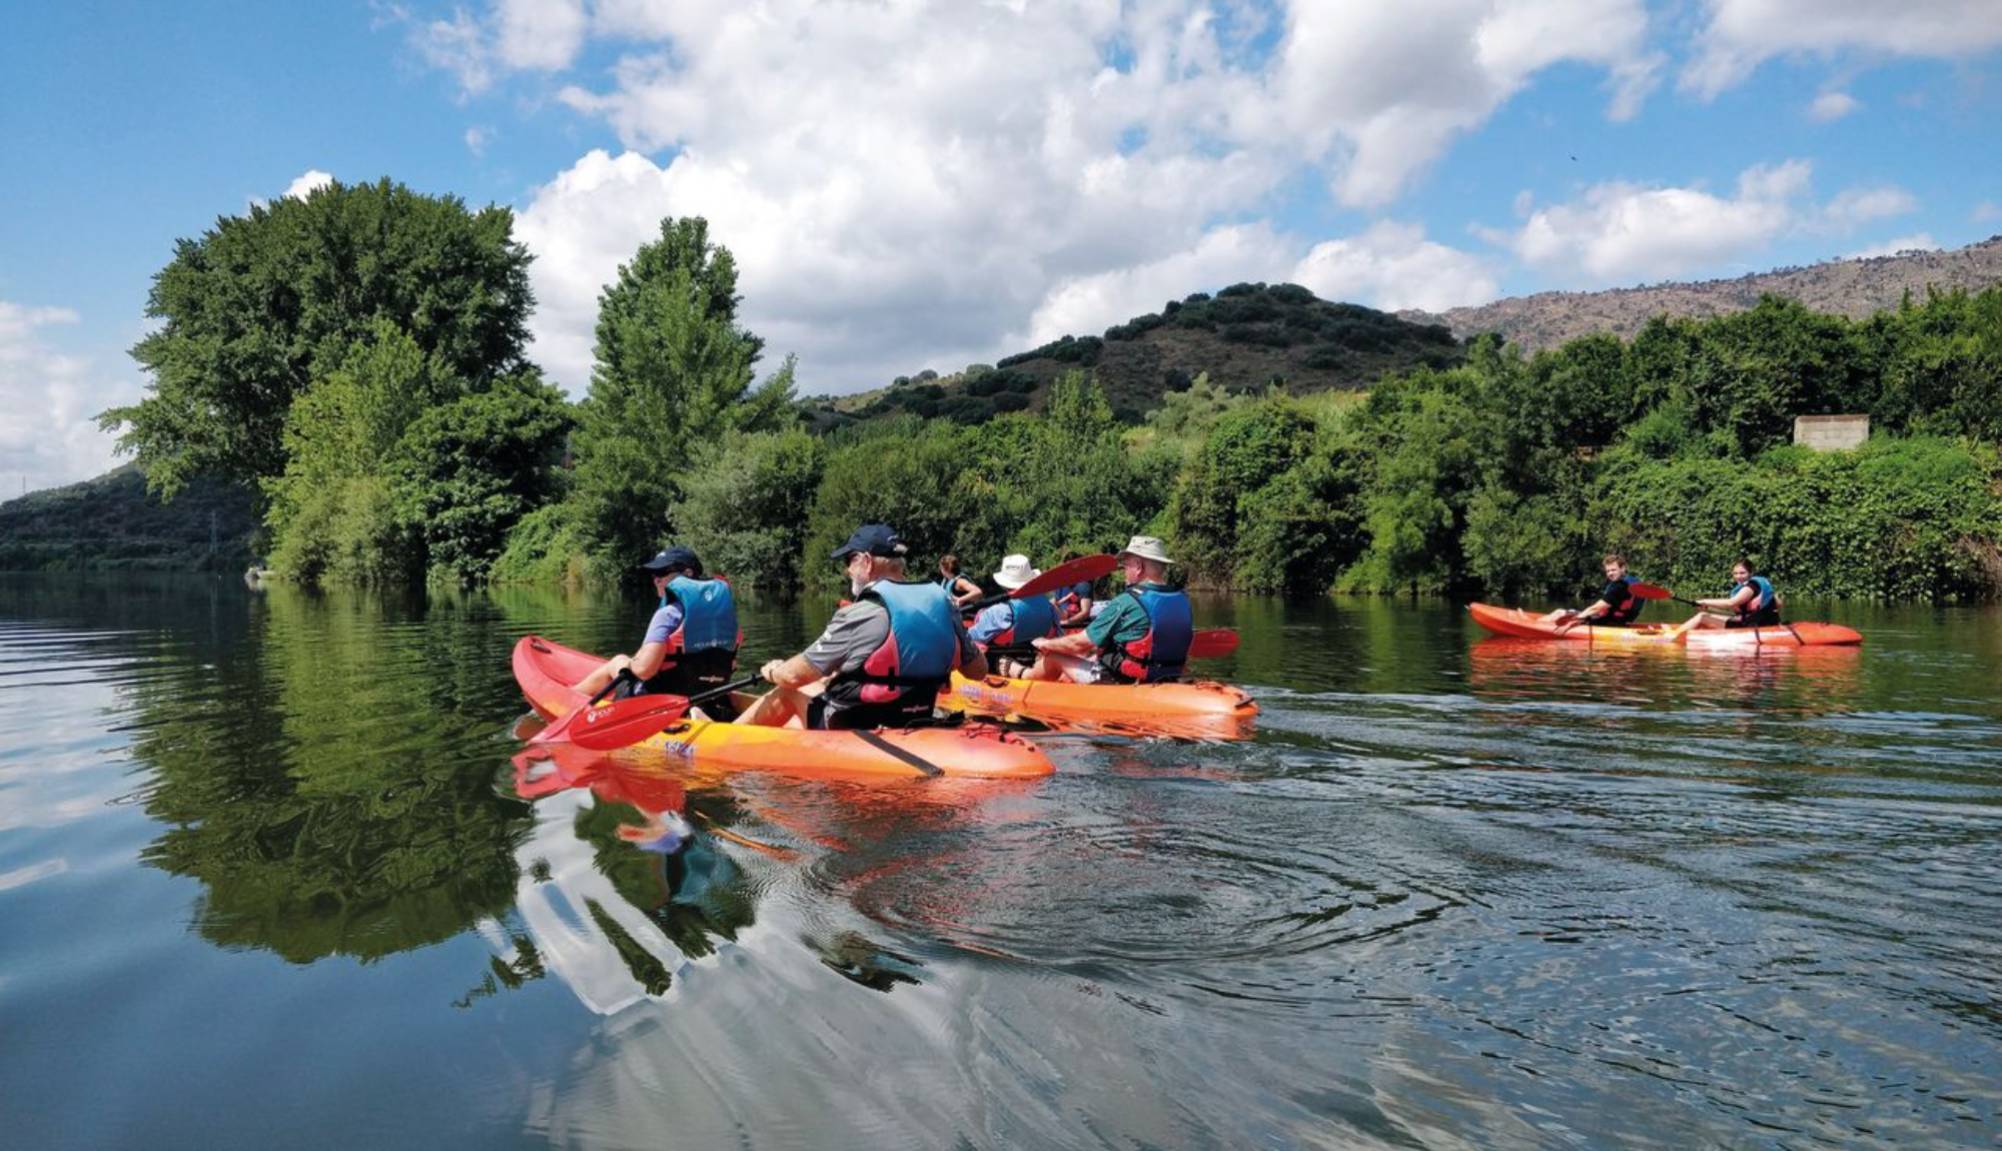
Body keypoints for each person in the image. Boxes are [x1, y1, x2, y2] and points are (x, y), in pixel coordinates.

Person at [736, 524, 987, 729]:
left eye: (849, 560)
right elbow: (978, 671)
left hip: (855, 727)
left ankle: (728, 737)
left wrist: (773, 671)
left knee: (788, 690)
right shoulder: (943, 603)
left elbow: (793, 676)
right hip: (913, 717)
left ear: (866, 561)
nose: (847, 570)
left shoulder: (860, 613)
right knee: (818, 686)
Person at [571, 545, 740, 702]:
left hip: (659, 700)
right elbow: (731, 665)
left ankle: (571, 695)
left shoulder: (667, 615)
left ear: (688, 573)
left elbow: (645, 671)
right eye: (654, 575)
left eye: (663, 572)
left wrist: (630, 664)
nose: (656, 580)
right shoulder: (727, 617)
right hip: (707, 696)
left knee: (618, 660)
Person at [1030, 535, 1191, 684]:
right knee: (1090, 654)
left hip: (1119, 680)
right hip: (1167, 676)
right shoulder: (1183, 599)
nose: (1124, 573)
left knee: (1054, 656)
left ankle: (1022, 677)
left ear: (1138, 566)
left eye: (1126, 566)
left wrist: (1046, 643)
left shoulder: (1127, 601)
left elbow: (1077, 644)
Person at [967, 554, 1061, 678]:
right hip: (1036, 661)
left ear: (1004, 584)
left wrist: (980, 616)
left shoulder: (1000, 612)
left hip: (999, 664)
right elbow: (1058, 636)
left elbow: (969, 639)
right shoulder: (1050, 607)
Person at [1543, 554, 1644, 634]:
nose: (1610, 573)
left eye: (1613, 570)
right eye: (1608, 571)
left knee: (1559, 612)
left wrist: (1572, 622)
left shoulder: (1620, 586)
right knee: (1564, 612)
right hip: (1622, 622)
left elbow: (1595, 608)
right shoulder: (1633, 582)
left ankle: (1536, 626)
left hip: (1608, 623)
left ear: (1622, 568)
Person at [1691, 559, 1783, 629]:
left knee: (1702, 616)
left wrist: (1704, 601)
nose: (1738, 576)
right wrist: (1710, 608)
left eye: (1742, 573)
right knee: (1705, 615)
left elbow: (1731, 603)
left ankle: (1676, 638)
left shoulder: (1750, 587)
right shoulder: (1757, 585)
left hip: (1754, 626)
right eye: (1735, 573)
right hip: (1763, 623)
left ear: (1751, 573)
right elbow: (1778, 604)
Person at [1052, 550, 1094, 626]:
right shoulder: (1060, 584)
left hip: (1075, 625)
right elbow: (1056, 604)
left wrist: (1067, 622)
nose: (1069, 570)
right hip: (1062, 618)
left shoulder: (1083, 585)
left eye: (1073, 566)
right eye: (1067, 567)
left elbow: (1085, 612)